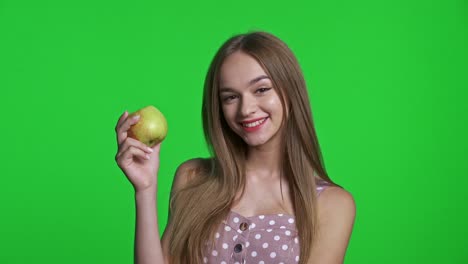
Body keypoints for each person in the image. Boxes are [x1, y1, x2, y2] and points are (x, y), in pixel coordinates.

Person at [115, 31, 356, 264]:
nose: (245, 109)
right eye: (230, 97)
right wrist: (145, 189)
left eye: (261, 89)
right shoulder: (193, 177)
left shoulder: (332, 205)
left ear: (291, 91)